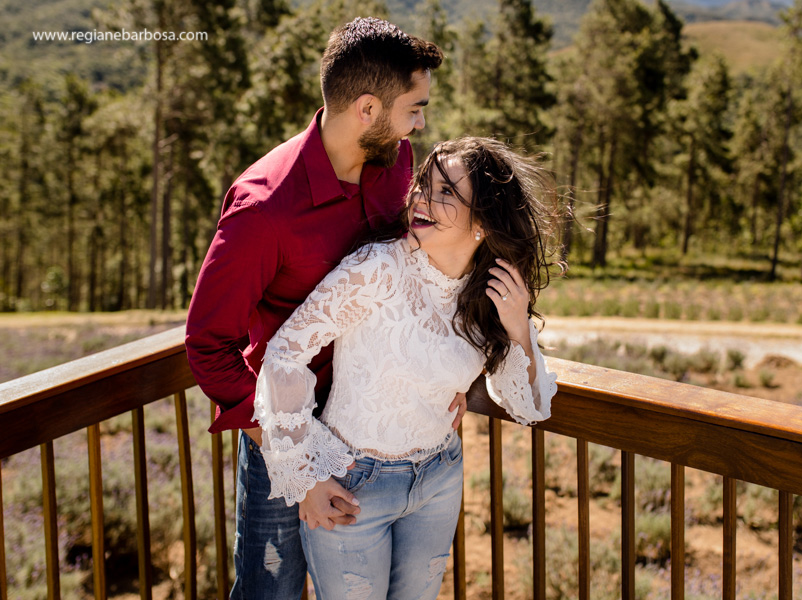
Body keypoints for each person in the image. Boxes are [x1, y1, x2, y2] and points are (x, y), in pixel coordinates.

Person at [184, 17, 447, 600]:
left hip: (373, 430)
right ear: (368, 109)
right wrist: (293, 460)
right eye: (414, 107)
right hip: (289, 428)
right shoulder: (264, 208)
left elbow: (410, 276)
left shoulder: (397, 162)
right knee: (269, 590)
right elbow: (207, 343)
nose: (421, 122)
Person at [254, 136, 561, 600]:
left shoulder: (490, 292)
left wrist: (518, 329)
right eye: (424, 185)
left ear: (482, 222)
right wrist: (307, 476)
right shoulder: (376, 269)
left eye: (446, 193)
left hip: (439, 479)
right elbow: (283, 355)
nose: (422, 199)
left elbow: (530, 407)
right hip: (354, 486)